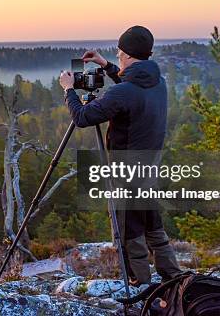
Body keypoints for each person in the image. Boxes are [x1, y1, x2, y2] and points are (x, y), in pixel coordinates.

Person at [59, 25, 181, 284]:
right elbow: (130, 89)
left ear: (125, 54)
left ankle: (139, 283)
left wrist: (69, 89)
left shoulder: (123, 91)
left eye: (118, 53)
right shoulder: (158, 82)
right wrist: (105, 65)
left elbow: (83, 117)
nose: (117, 57)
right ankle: (172, 275)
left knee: (129, 229)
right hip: (149, 168)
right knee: (152, 223)